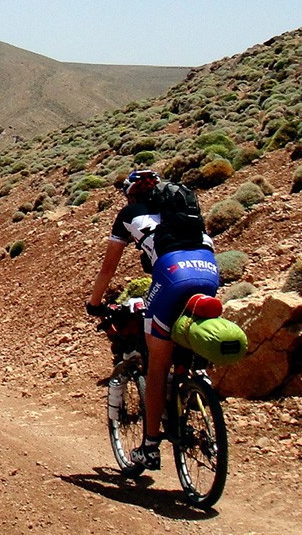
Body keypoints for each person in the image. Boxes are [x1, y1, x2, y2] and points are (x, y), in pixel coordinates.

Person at [85, 168, 218, 471]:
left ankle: (150, 448)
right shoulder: (185, 213)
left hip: (172, 275)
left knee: (156, 366)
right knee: (184, 336)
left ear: (131, 194)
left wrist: (94, 303)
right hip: (209, 271)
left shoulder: (129, 214)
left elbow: (108, 269)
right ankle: (196, 384)